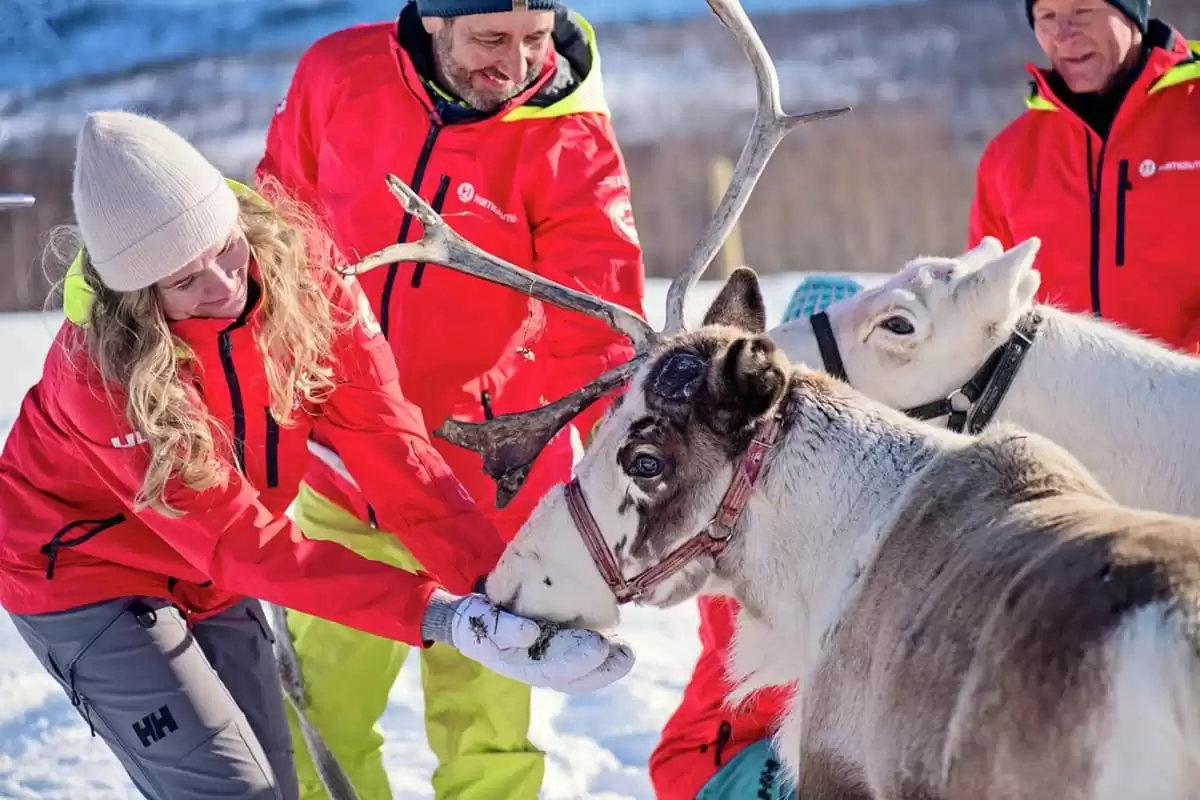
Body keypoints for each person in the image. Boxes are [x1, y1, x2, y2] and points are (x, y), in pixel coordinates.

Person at [0, 109, 634, 800]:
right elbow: (243, 543)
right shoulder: (102, 376)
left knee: (281, 783)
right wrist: (442, 616)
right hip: (84, 569)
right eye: (184, 281)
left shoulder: (305, 276)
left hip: (212, 573)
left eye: (225, 247)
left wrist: (502, 591)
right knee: (231, 792)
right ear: (139, 301)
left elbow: (392, 447)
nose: (223, 284)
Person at [256, 0, 647, 797]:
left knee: (488, 747)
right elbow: (274, 234)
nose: (517, 65)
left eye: (535, 39)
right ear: (433, 19)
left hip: (493, 498)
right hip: (346, 472)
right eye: (490, 39)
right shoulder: (338, 74)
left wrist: (635, 478)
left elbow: (602, 336)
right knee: (314, 727)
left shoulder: (569, 140)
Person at [969, 0, 1200, 353]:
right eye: (1047, 16)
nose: (1063, 35)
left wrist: (1179, 376)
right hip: (1057, 386)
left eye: (1082, 12)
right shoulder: (1008, 156)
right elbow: (986, 303)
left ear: (1132, 15)